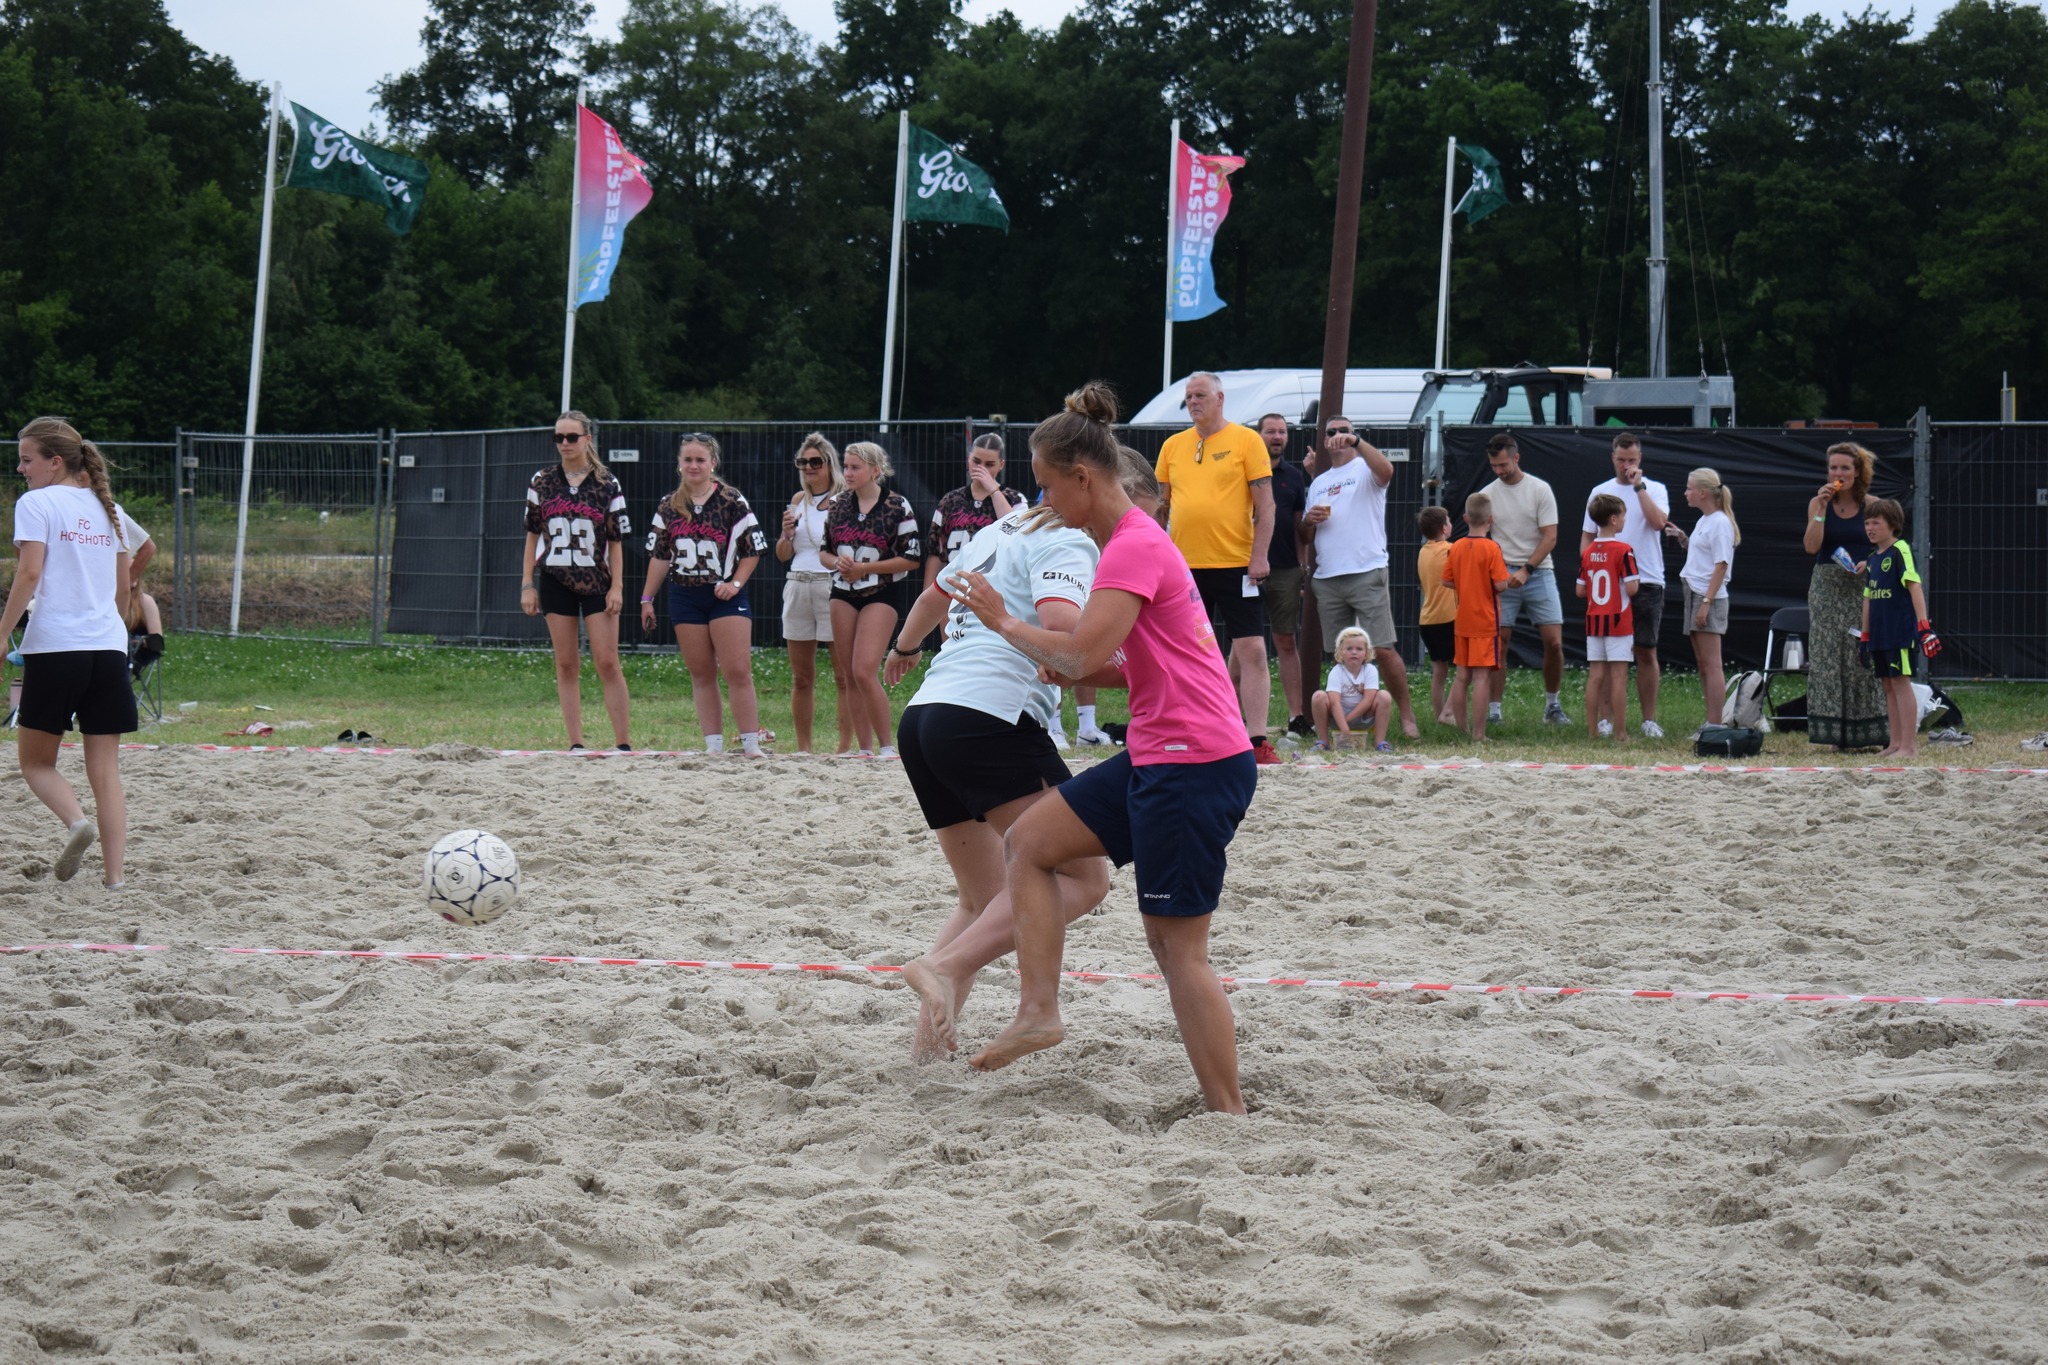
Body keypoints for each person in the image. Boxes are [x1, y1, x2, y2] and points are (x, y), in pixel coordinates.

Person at [948, 384, 1258, 1115]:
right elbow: (1125, 660)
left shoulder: (1133, 546)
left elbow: (1085, 650)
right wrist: (1070, 661)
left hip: (1196, 762)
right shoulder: (1129, 544)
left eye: (1052, 486)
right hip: (1163, 750)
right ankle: (1038, 1011)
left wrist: (1006, 623)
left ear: (1083, 478)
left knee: (1177, 950)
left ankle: (1229, 1113)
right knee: (1030, 841)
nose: (1046, 502)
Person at [886, 473, 1121, 1062]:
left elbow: (933, 598)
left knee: (983, 899)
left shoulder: (997, 527)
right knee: (1083, 876)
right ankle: (942, 966)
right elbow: (1063, 629)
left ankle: (926, 1059)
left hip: (925, 718)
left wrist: (905, 648)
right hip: (990, 717)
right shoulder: (1069, 537)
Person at [1, 417, 136, 887]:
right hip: (108, 648)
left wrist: (2, 633)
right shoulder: (108, 507)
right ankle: (116, 880)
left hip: (57, 646)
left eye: (26, 458)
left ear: (54, 461)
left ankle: (77, 823)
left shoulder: (36, 503)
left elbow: (29, 574)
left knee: (36, 763)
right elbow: (125, 584)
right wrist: (112, 627)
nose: (20, 468)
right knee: (106, 771)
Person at [1153, 371, 1281, 764]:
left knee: (1252, 650)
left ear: (1220, 398)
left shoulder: (1246, 439)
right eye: (1189, 397)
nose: (1193, 402)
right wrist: (1154, 556)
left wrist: (1259, 556)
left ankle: (1257, 740)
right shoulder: (1173, 445)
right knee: (1182, 654)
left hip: (1236, 564)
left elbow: (1267, 506)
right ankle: (1188, 733)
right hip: (1184, 568)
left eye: (1200, 395)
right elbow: (1161, 508)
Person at [640, 434, 769, 758]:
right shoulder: (669, 505)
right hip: (684, 594)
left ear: (713, 463)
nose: (694, 465)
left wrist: (735, 584)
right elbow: (660, 556)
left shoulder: (731, 500)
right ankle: (713, 744)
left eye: (700, 459)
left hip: (723, 595)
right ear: (679, 464)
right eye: (688, 460)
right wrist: (646, 598)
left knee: (737, 669)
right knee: (701, 672)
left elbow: (752, 550)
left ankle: (751, 744)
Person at [1304, 416, 1419, 739]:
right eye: (1332, 432)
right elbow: (1305, 530)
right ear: (1325, 441)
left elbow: (1387, 471)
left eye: (1345, 431)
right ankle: (1350, 722)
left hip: (1366, 570)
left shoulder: (1365, 469)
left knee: (1382, 648)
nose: (1338, 436)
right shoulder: (1319, 481)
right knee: (1341, 655)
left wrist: (1357, 443)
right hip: (1328, 576)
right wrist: (1308, 519)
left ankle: (1407, 716)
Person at [521, 411, 631, 751]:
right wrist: (527, 583)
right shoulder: (542, 480)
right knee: (566, 662)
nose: (565, 444)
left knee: (607, 660)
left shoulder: (607, 483)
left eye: (571, 437)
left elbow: (616, 541)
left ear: (587, 439)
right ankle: (575, 742)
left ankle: (623, 743)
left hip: (597, 580)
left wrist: (617, 586)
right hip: (555, 578)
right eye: (559, 437)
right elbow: (532, 535)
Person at [821, 441, 921, 758]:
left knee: (864, 670)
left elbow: (912, 558)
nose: (847, 473)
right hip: (842, 593)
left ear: (875, 471)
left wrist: (866, 568)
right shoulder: (836, 505)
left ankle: (888, 747)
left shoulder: (897, 506)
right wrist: (836, 562)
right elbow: (824, 551)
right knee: (849, 673)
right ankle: (864, 749)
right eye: (846, 466)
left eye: (855, 467)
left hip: (881, 592)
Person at [1578, 431, 1673, 737]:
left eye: (1632, 460)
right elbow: (1587, 539)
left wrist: (1639, 487)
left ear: (1640, 459)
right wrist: (1593, 569)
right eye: (1621, 460)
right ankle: (1605, 719)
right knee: (1606, 657)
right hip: (1609, 587)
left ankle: (1648, 719)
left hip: (1645, 579)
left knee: (1645, 650)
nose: (1626, 465)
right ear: (1613, 458)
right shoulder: (1599, 491)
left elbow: (1659, 523)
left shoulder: (1655, 489)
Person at [1801, 441, 1887, 750]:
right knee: (1826, 657)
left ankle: (1865, 735)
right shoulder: (1817, 503)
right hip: (1826, 585)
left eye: (1844, 468)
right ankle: (1830, 736)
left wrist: (1869, 564)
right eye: (1833, 467)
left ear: (1858, 472)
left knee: (1860, 656)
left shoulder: (1872, 504)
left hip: (1862, 586)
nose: (1838, 473)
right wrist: (1822, 510)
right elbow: (1811, 547)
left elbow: (1887, 547)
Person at [1478, 433, 1569, 725]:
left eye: (1503, 464)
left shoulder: (1540, 489)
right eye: (1494, 466)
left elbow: (1551, 536)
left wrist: (1527, 569)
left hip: (1539, 571)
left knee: (1553, 642)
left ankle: (1553, 706)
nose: (1499, 471)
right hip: (1503, 572)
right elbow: (1483, 535)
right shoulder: (1487, 494)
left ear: (1516, 458)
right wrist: (1498, 571)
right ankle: (1494, 712)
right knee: (1499, 643)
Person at [774, 433, 853, 754]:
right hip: (797, 583)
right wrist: (787, 534)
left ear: (829, 464)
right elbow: (782, 553)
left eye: (815, 462)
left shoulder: (845, 499)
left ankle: (845, 747)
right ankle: (804, 748)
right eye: (803, 462)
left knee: (843, 675)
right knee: (801, 677)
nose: (808, 467)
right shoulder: (798, 501)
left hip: (831, 585)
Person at [1860, 498, 1941, 758]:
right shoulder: (1872, 559)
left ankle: (1909, 746)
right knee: (1887, 685)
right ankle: (1894, 744)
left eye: (1876, 523)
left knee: (1900, 682)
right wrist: (1864, 637)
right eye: (1867, 523)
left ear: (1892, 524)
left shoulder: (1900, 550)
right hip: (1879, 634)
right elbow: (1868, 599)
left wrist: (1924, 627)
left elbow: (1914, 586)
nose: (1870, 528)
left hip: (1899, 631)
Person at [1254, 413, 1313, 738]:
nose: (1277, 436)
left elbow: (1300, 529)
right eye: (1270, 431)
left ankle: (1297, 716)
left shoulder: (1293, 476)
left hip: (1287, 569)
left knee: (1286, 641)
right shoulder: (1246, 472)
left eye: (1282, 432)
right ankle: (1233, 716)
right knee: (1243, 643)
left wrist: (1303, 564)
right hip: (1247, 568)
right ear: (1258, 435)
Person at [1444, 492, 1510, 741]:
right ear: (1490, 520)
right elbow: (1501, 584)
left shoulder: (1457, 546)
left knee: (1462, 676)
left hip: (1462, 621)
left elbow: (1446, 580)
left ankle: (1463, 729)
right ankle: (1479, 734)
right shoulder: (1492, 548)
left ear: (1464, 518)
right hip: (1485, 621)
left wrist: (1466, 584)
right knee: (1482, 677)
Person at [1576, 493, 1641, 742]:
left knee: (1595, 676)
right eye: (1623, 516)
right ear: (1613, 519)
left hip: (1594, 620)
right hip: (1618, 621)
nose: (1625, 520)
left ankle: (1593, 731)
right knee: (1618, 677)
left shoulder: (1588, 552)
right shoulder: (1625, 550)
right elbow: (1633, 588)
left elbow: (1580, 590)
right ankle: (1621, 733)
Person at [1679, 468, 1738, 731]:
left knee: (1712, 664)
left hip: (1707, 597)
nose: (1686, 493)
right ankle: (1711, 720)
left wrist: (1706, 602)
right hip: (1694, 592)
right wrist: (1683, 540)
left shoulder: (1720, 523)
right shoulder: (1705, 520)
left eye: (1690, 488)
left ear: (1703, 492)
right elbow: (1703, 555)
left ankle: (1717, 724)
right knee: (1703, 664)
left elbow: (1721, 565)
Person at [1311, 626, 1393, 752]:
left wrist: (1347, 720)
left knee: (1384, 696)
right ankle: (1323, 742)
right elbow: (1334, 702)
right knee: (1318, 696)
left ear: (1366, 652)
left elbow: (1368, 700)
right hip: (1337, 719)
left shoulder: (1370, 670)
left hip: (1363, 717)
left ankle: (1380, 742)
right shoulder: (1336, 671)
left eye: (1359, 649)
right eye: (1349, 649)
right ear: (1340, 652)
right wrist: (1343, 727)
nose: (1354, 652)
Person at [1416, 506, 1456, 724]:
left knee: (1439, 671)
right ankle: (1449, 712)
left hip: (1427, 619)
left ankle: (1439, 715)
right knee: (1466, 669)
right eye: (1449, 520)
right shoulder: (1451, 550)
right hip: (1449, 618)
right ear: (1444, 528)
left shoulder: (1423, 551)